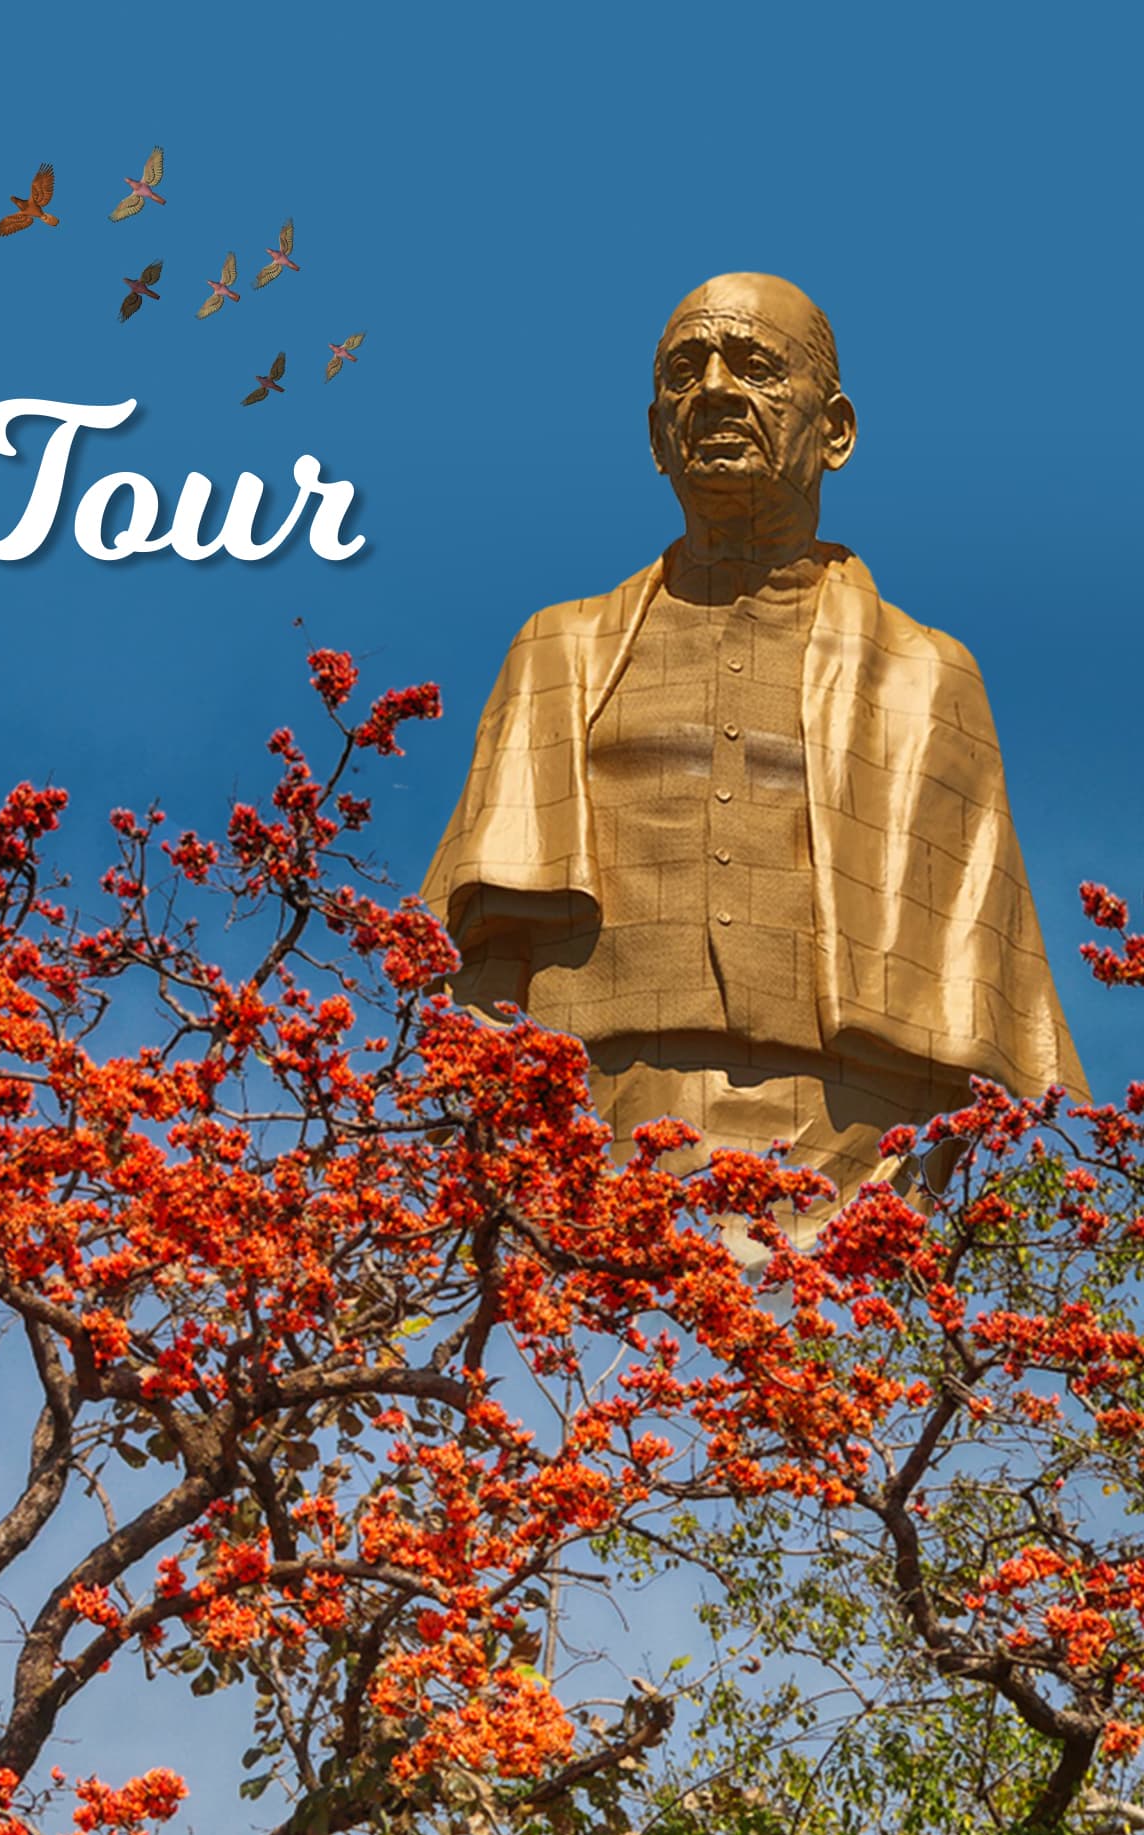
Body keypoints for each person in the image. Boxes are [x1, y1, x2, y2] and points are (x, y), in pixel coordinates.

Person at [421, 272, 1086, 1202]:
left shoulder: (928, 676)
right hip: (594, 1151)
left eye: (757, 366)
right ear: (657, 436)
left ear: (837, 429)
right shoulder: (559, 652)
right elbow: (484, 955)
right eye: (686, 371)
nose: (717, 391)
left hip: (850, 1161)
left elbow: (986, 999)